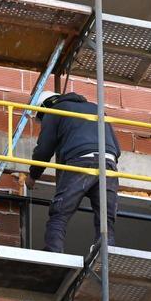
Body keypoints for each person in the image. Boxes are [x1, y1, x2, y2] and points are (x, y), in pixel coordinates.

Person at [24, 91, 120, 253]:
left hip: (81, 161)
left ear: (44, 107)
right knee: (105, 217)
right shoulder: (96, 108)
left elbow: (44, 150)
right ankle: (106, 251)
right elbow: (116, 146)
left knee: (60, 213)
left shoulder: (55, 111)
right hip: (109, 163)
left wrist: (33, 176)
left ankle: (54, 252)